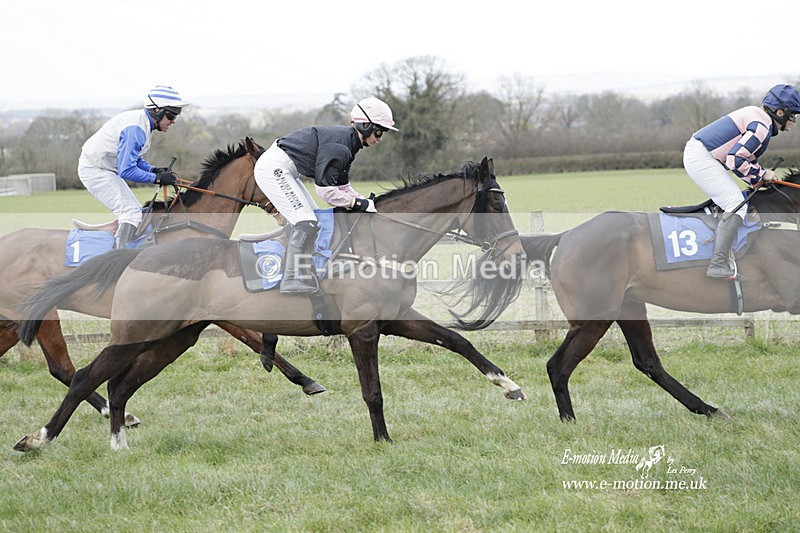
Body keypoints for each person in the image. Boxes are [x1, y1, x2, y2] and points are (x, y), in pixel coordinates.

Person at [254, 96, 398, 294]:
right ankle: (290, 279)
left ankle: (306, 271)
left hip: (286, 168)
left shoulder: (349, 144)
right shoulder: (340, 147)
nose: (380, 138)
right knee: (306, 222)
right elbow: (325, 191)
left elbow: (343, 186)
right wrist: (357, 204)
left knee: (315, 220)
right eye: (379, 132)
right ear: (365, 125)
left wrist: (364, 201)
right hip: (274, 168)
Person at [684, 84, 800, 279]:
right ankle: (718, 264)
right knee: (736, 205)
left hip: (704, 155)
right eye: (793, 115)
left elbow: (744, 158)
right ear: (780, 112)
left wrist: (760, 176)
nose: (794, 120)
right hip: (702, 157)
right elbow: (736, 159)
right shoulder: (761, 126)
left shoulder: (760, 118)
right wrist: (761, 174)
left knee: (736, 201)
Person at [78, 85, 188, 248]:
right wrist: (157, 179)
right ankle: (118, 257)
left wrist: (153, 170)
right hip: (96, 170)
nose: (173, 121)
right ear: (157, 110)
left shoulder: (143, 124)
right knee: (131, 213)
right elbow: (126, 170)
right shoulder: (136, 129)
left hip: (107, 168)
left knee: (138, 213)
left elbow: (133, 160)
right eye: (171, 115)